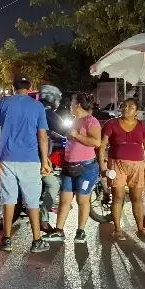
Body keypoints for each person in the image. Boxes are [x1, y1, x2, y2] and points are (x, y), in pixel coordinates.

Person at [0, 75, 52, 253]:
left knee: (9, 199)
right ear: (29, 88)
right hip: (30, 159)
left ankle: (6, 239)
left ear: (12, 87)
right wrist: (45, 161)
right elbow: (42, 136)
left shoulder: (4, 103)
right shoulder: (37, 106)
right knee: (32, 201)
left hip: (7, 157)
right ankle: (37, 241)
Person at [45, 93, 102, 244]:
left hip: (86, 167)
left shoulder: (91, 121)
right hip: (69, 166)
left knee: (82, 200)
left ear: (77, 105)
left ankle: (81, 231)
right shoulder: (75, 120)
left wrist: (77, 136)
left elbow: (97, 142)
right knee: (64, 200)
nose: (70, 106)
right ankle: (59, 231)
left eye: (72, 103)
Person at [99, 98, 145, 239]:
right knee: (118, 197)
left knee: (137, 198)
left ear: (137, 111)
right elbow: (102, 146)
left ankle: (140, 229)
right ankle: (117, 229)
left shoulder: (142, 126)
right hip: (117, 165)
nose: (126, 109)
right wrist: (102, 167)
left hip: (137, 166)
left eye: (130, 107)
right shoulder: (111, 124)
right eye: (124, 106)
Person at [38, 85, 65, 232]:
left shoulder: (35, 109)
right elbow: (64, 130)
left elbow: (49, 133)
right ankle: (43, 220)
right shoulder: (48, 113)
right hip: (37, 158)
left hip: (25, 155)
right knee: (54, 185)